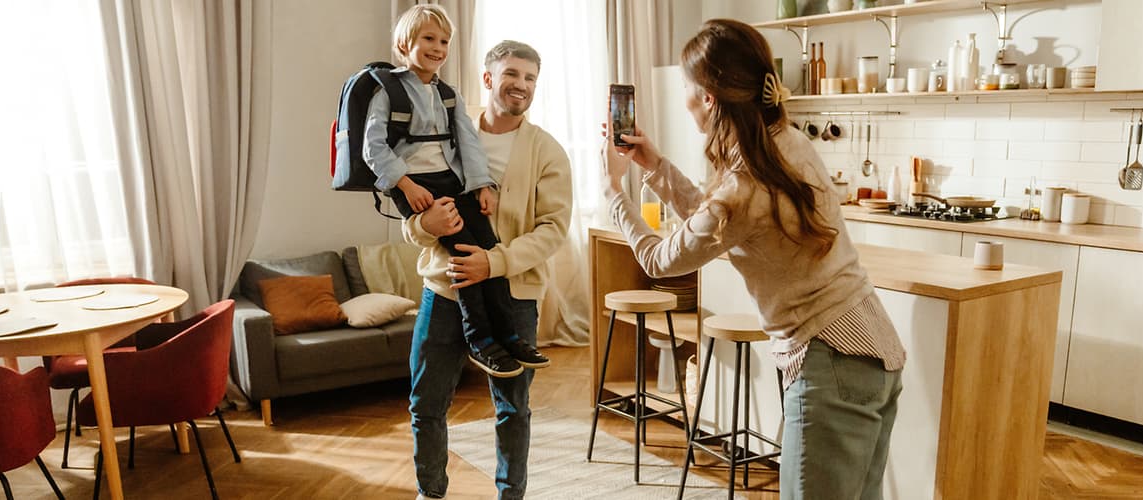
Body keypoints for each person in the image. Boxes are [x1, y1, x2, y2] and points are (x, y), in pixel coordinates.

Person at [601, 19, 906, 499]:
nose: (683, 97)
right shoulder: (784, 142)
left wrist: (613, 190)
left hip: (831, 362)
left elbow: (661, 259)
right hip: (871, 348)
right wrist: (654, 167)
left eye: (686, 87)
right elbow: (721, 213)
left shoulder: (745, 184)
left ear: (708, 99)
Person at [403, 40, 573, 500]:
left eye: (530, 77)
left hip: (515, 296)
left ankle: (510, 496)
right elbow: (411, 214)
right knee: (426, 404)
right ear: (488, 79)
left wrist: (492, 262)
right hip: (445, 290)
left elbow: (554, 229)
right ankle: (430, 493)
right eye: (512, 74)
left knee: (513, 408)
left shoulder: (549, 152)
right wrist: (423, 223)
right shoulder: (444, 133)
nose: (521, 85)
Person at [363, 5, 549, 378]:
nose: (438, 47)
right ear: (405, 42)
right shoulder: (388, 90)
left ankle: (508, 335)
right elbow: (373, 147)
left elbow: (468, 143)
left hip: (450, 179)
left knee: (489, 246)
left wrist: (481, 185)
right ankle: (479, 339)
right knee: (466, 256)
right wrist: (406, 184)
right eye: (428, 38)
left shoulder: (448, 94)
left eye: (444, 41)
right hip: (415, 185)